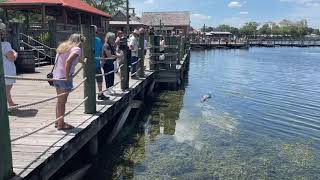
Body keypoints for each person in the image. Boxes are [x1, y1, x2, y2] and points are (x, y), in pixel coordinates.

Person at [53, 33, 85, 130]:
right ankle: (61, 125)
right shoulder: (77, 49)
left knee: (59, 101)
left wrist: (83, 62)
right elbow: (69, 61)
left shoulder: (63, 46)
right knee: (62, 102)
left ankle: (58, 121)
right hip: (64, 78)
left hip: (56, 77)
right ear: (79, 41)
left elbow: (65, 59)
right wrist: (67, 77)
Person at [1, 20, 18, 107]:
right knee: (7, 89)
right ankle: (9, 104)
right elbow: (12, 58)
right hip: (6, 70)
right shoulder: (5, 44)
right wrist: (15, 53)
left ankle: (10, 102)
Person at [93, 25, 108, 100]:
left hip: (97, 64)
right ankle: (90, 97)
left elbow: (101, 51)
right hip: (89, 65)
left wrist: (102, 60)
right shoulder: (85, 41)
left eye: (95, 32)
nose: (95, 33)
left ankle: (100, 94)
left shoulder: (98, 40)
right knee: (89, 81)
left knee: (99, 80)